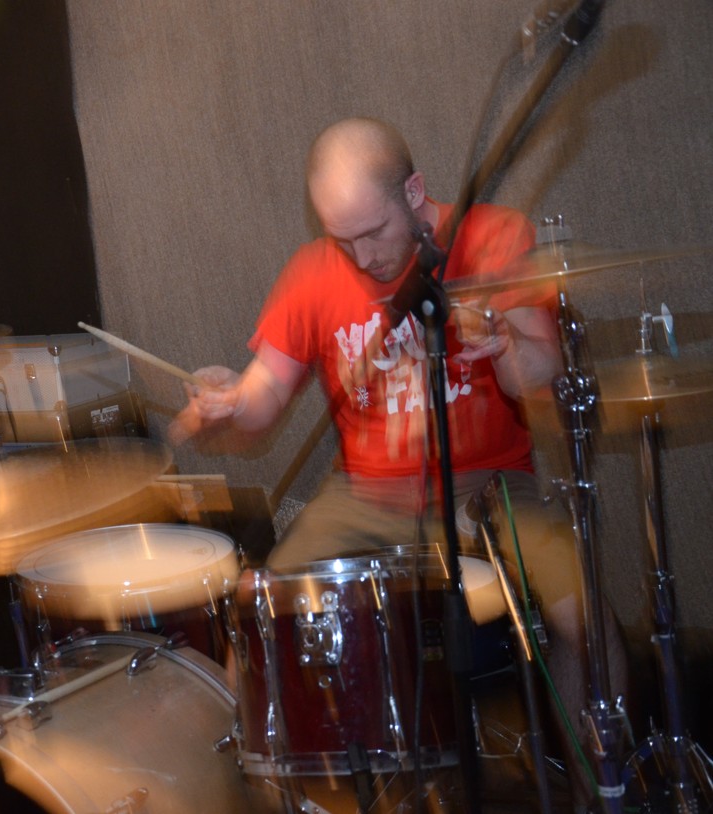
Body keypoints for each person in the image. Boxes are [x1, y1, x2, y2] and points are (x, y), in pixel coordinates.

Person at [170, 117, 626, 805]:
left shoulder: (491, 235)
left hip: (491, 482)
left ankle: (603, 790)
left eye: (374, 232)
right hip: (365, 494)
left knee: (584, 617)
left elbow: (540, 373)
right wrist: (230, 402)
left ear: (414, 193)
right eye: (342, 239)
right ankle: (244, 797)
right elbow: (263, 397)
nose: (361, 256)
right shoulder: (314, 270)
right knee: (263, 614)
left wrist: (504, 343)